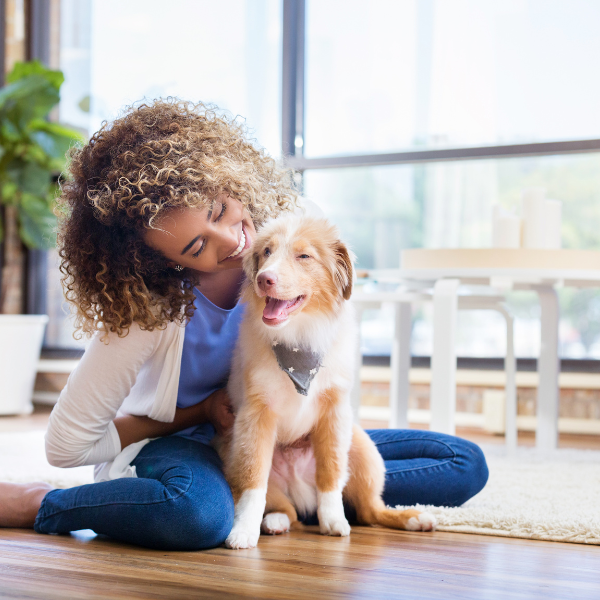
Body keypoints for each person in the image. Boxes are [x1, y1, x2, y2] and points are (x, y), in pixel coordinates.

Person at [0, 100, 488, 550]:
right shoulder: (145, 312)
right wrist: (203, 412)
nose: (232, 240)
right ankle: (44, 502)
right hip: (186, 447)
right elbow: (65, 445)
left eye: (219, 210)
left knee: (463, 465)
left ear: (224, 175)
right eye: (196, 248)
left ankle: (302, 499)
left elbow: (322, 344)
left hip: (285, 435)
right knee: (196, 517)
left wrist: (319, 445)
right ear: (156, 263)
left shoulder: (283, 242)